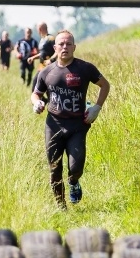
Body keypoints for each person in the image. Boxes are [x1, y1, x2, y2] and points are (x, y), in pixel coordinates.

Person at [31, 30, 110, 209]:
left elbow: (105, 85)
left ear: (74, 47)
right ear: (55, 48)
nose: (65, 47)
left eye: (68, 44)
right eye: (61, 44)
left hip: (78, 126)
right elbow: (36, 94)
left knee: (75, 167)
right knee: (54, 168)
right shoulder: (46, 72)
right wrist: (36, 104)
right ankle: (61, 207)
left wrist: (97, 108)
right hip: (54, 125)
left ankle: (74, 182)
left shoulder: (85, 68)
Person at [28, 22, 57, 93]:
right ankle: (44, 102)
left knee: (48, 89)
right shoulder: (42, 39)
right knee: (35, 87)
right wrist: (33, 58)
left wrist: (51, 60)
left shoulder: (51, 38)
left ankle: (49, 102)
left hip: (49, 67)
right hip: (41, 67)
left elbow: (57, 51)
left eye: (37, 29)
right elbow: (42, 53)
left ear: (40, 29)